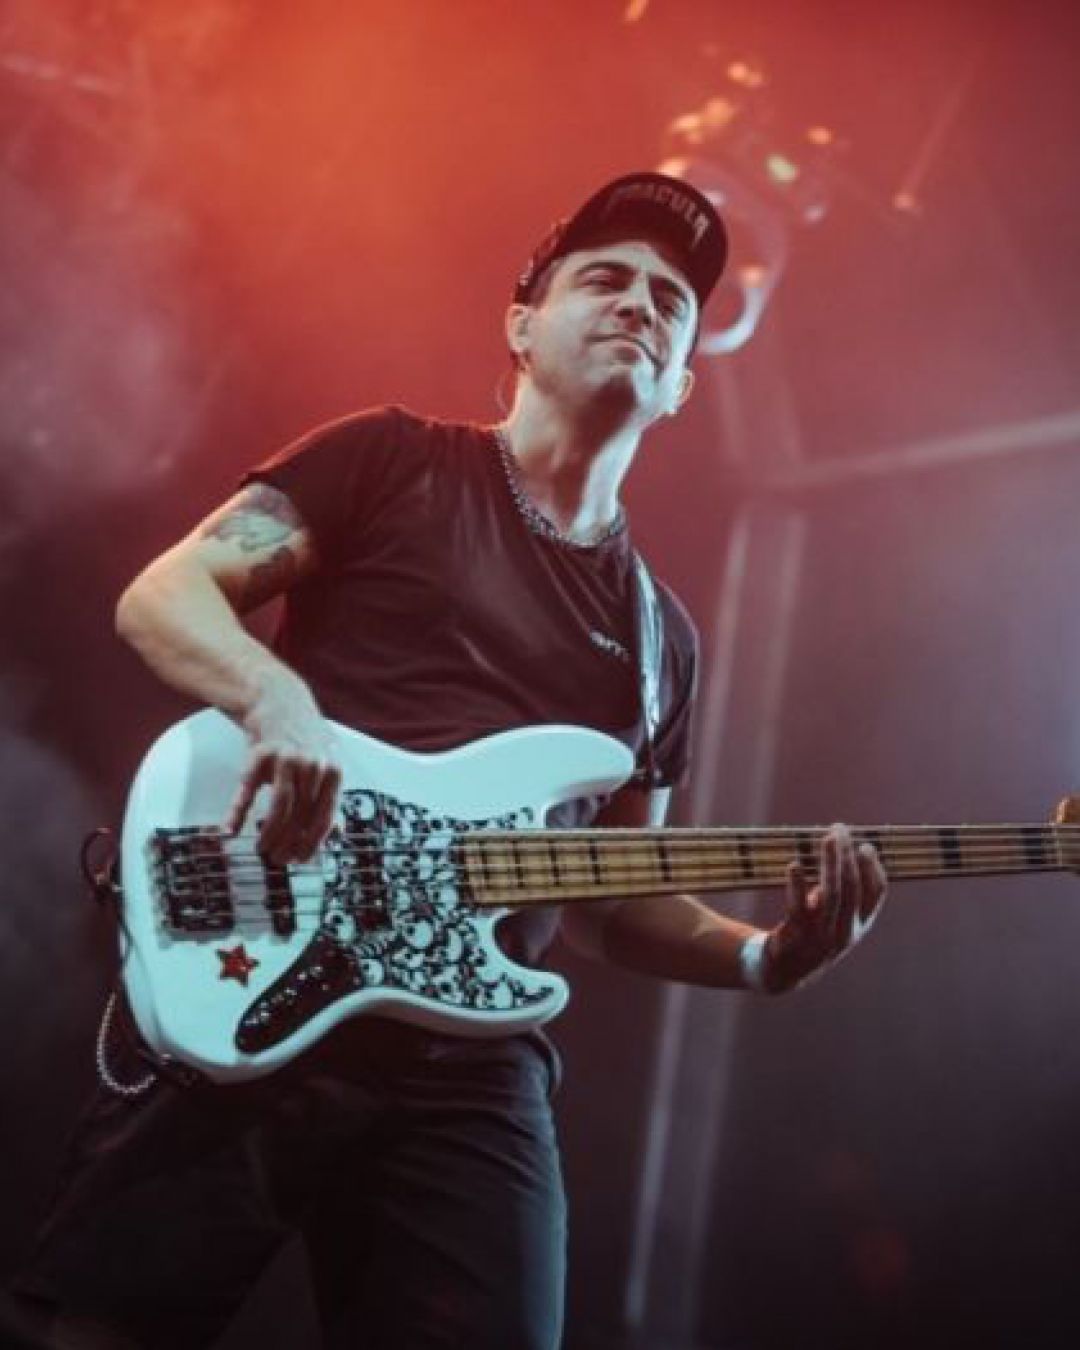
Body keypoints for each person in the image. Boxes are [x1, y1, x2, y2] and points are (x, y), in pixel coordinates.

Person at [6, 172, 887, 1349]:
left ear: (682, 382)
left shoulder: (661, 643)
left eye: (672, 301)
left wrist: (767, 956)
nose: (641, 303)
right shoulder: (390, 461)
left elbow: (612, 899)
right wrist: (277, 700)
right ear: (521, 326)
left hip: (467, 1065)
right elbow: (166, 595)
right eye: (606, 279)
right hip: (260, 953)